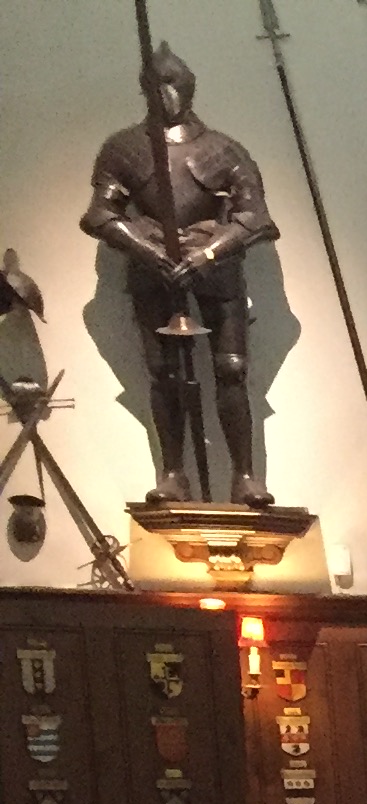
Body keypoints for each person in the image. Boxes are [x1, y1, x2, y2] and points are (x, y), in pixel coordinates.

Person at [80, 46, 278, 508]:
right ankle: (173, 473)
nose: (167, 96)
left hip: (216, 268)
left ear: (189, 88)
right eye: (157, 87)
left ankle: (245, 476)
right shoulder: (124, 147)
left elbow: (257, 219)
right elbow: (99, 215)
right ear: (145, 90)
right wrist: (146, 250)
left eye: (174, 86)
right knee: (164, 372)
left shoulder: (222, 149)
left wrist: (209, 253)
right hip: (154, 267)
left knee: (231, 368)